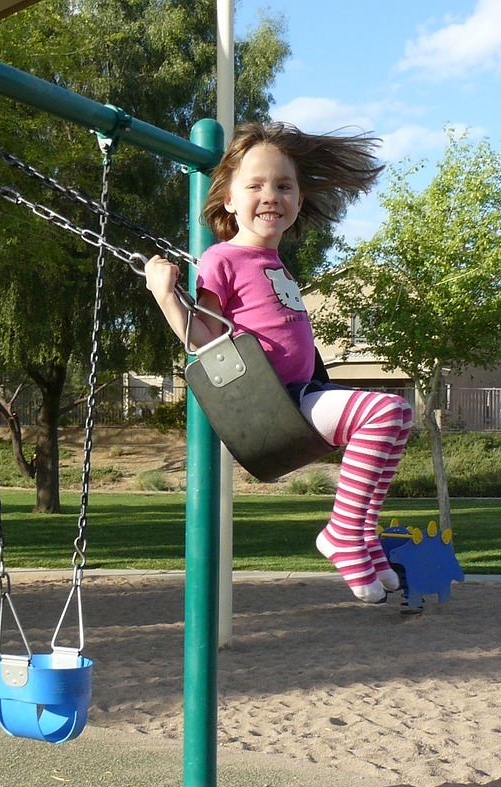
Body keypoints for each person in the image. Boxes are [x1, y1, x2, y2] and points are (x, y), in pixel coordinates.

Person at [144, 123, 413, 604]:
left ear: (299, 199)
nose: (271, 195)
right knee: (385, 411)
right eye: (255, 185)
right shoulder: (221, 258)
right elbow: (207, 339)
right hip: (272, 402)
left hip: (305, 392)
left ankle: (361, 534)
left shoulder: (275, 263)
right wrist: (167, 296)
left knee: (400, 415)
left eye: (284, 186)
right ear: (228, 199)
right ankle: (342, 533)